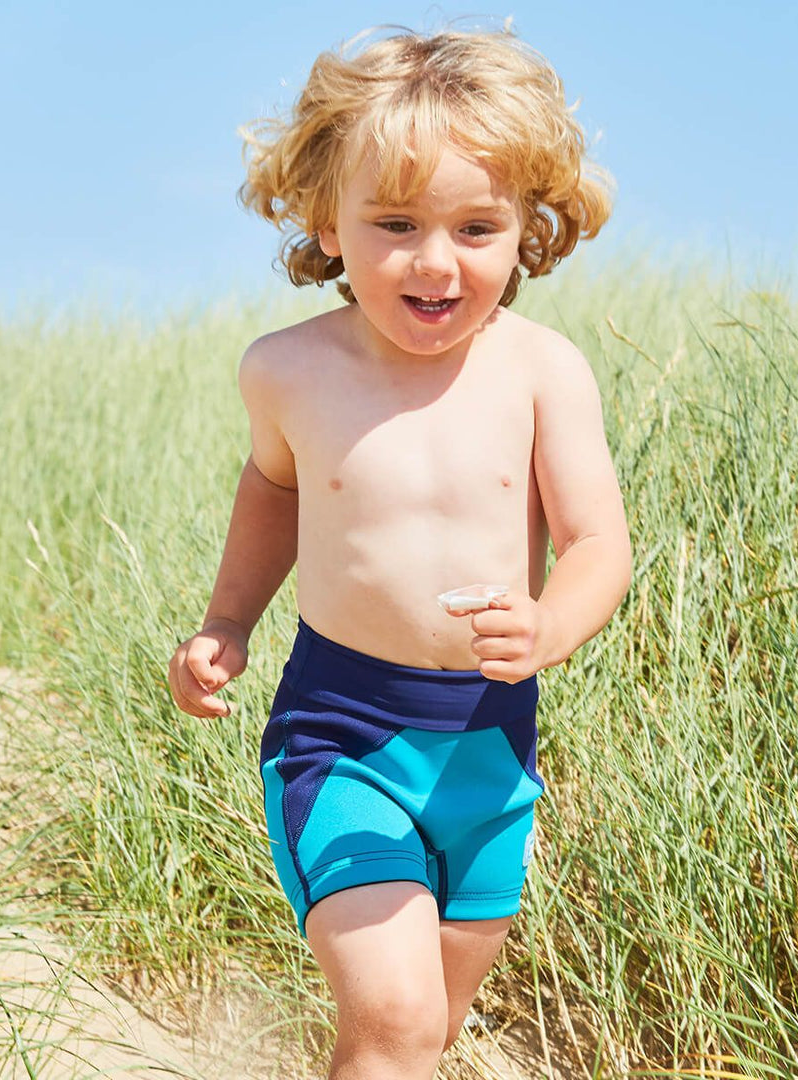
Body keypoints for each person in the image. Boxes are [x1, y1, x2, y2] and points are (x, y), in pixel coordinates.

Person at [168, 25, 632, 1080]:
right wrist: (227, 623)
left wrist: (551, 623)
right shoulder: (289, 372)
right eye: (394, 223)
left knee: (425, 1034)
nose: (436, 260)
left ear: (529, 227)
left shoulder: (542, 371)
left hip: (488, 752)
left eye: (477, 226)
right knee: (394, 1017)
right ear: (327, 223)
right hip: (342, 736)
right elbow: (273, 493)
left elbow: (599, 540)